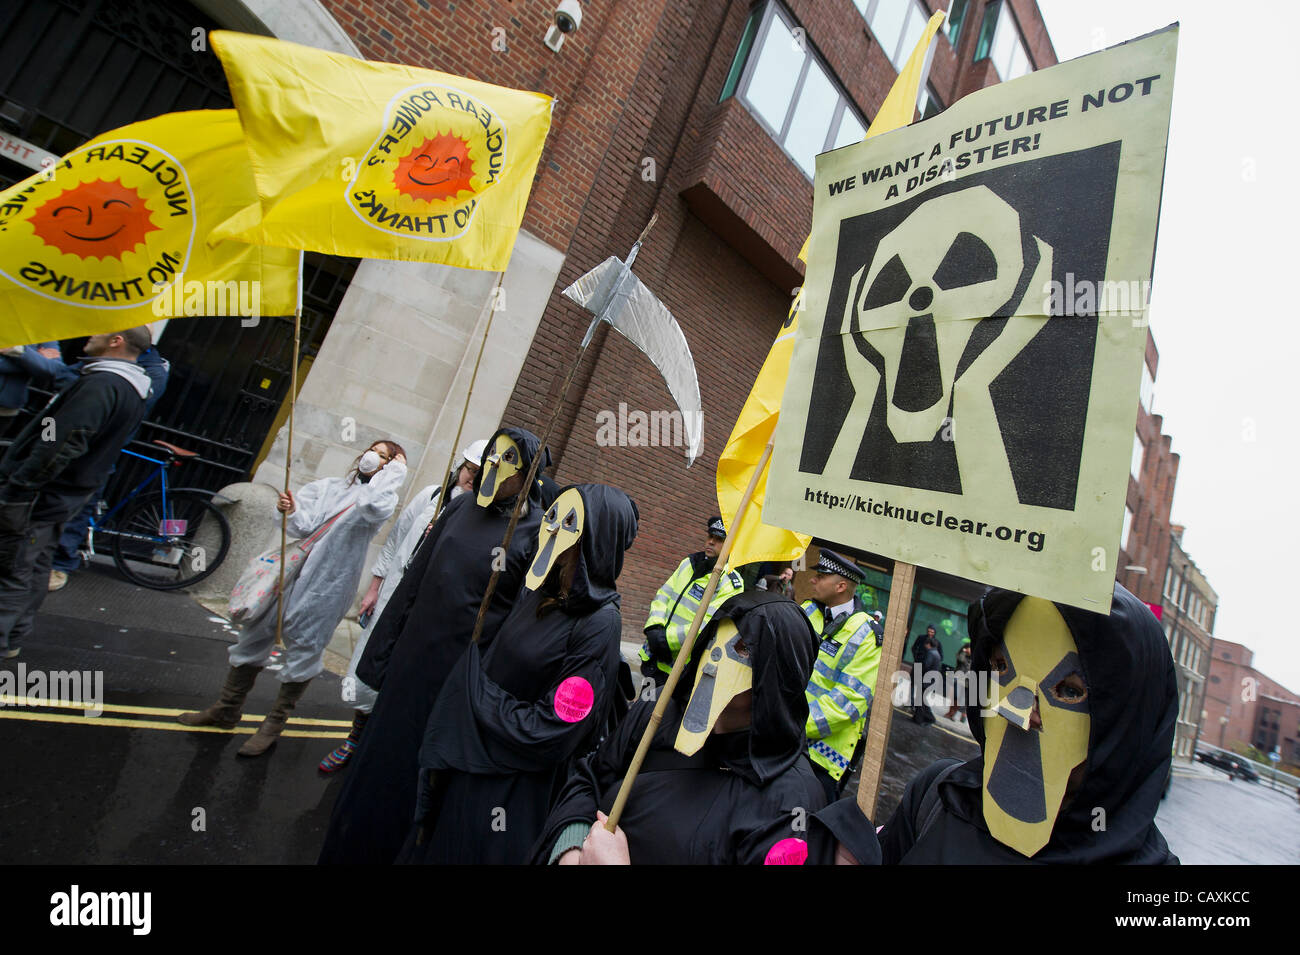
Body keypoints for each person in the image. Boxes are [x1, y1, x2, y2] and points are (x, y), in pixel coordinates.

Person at [319, 426, 551, 864]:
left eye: (508, 462)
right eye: (492, 457)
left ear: (528, 475)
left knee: (416, 785)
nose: (494, 467)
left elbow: (519, 624)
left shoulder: (533, 532)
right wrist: (378, 659)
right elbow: (413, 583)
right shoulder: (459, 507)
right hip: (408, 666)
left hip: (454, 682)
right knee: (375, 771)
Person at [397, 483, 639, 863]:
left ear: (596, 535)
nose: (555, 527)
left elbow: (557, 727)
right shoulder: (539, 592)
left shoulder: (599, 623)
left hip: (509, 790)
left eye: (570, 521)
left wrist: (478, 698)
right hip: (470, 762)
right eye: (553, 515)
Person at [878, 583, 1180, 864]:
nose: (1016, 712)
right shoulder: (938, 796)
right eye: (1001, 667)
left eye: (1070, 690)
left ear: (1128, 720)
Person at [530, 590, 827, 865]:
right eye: (713, 640)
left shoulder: (792, 803)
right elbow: (591, 778)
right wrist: (569, 851)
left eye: (742, 650)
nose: (714, 660)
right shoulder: (658, 711)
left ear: (778, 673)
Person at [178, 440, 407, 757]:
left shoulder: (382, 498)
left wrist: (393, 474)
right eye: (374, 451)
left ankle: (273, 724)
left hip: (328, 583)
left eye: (386, 458)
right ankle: (226, 708)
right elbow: (303, 526)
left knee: (305, 646)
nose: (376, 458)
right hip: (291, 572)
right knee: (255, 633)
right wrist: (290, 511)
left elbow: (371, 509)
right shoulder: (329, 487)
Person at [318, 437, 487, 773]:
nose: (471, 477)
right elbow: (395, 539)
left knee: (401, 677)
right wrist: (376, 586)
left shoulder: (477, 519)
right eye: (469, 469)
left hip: (427, 611)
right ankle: (354, 737)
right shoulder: (431, 496)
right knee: (371, 666)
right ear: (460, 467)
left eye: (479, 473)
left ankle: (379, 744)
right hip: (395, 596)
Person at [0, 329, 152, 660]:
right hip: (67, 492)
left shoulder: (102, 385)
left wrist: (22, 486)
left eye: (99, 331)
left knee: (12, 566)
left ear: (116, 341)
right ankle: (14, 636)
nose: (89, 334)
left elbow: (61, 442)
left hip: (44, 492)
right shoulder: (128, 386)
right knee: (37, 562)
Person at [42, 342, 171, 592]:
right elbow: (64, 378)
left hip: (101, 447)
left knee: (82, 503)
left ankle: (61, 562)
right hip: (72, 437)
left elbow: (131, 404)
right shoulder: (100, 359)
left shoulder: (154, 369)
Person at [799, 549, 881, 801]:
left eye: (821, 576)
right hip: (784, 738)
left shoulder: (867, 634)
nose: (813, 580)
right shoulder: (806, 611)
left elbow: (848, 703)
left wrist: (791, 724)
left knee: (800, 829)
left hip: (820, 760)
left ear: (841, 586)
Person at [637, 515, 744, 685]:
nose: (711, 542)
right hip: (654, 654)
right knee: (644, 703)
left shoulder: (730, 583)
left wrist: (666, 640)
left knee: (661, 710)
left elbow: (706, 624)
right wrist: (654, 628)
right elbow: (663, 594)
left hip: (678, 667)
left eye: (719, 539)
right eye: (710, 536)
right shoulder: (689, 562)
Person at [910, 625, 940, 724]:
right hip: (927, 678)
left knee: (921, 699)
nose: (930, 633)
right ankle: (918, 717)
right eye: (929, 631)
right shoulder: (933, 652)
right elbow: (914, 648)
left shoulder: (931, 653)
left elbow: (926, 666)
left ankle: (927, 718)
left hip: (925, 679)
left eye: (932, 632)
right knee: (921, 698)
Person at [945, 637, 972, 721]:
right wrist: (964, 651)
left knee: (961, 699)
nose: (970, 650)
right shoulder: (962, 655)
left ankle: (952, 713)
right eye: (969, 649)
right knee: (955, 697)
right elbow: (960, 659)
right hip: (959, 679)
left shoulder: (973, 659)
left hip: (967, 682)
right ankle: (950, 713)